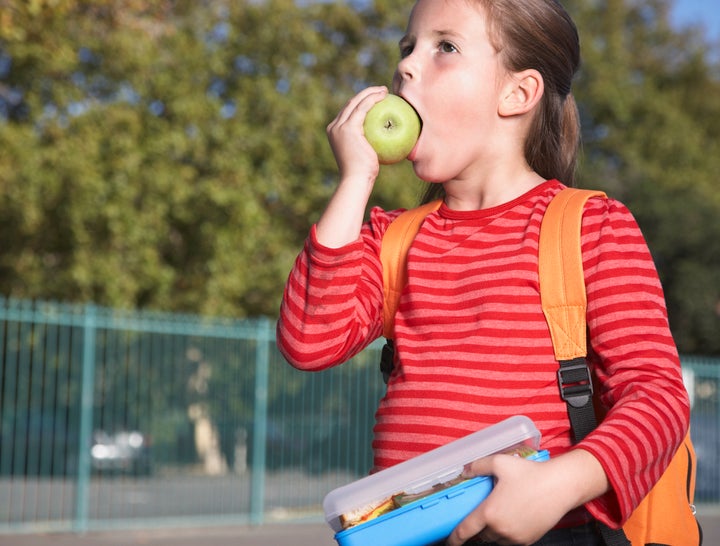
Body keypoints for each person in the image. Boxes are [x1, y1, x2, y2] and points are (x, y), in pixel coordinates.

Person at [276, 0, 690, 544]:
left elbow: (656, 395)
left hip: (554, 529)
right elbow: (310, 341)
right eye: (407, 47)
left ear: (516, 93)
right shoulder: (392, 238)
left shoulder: (590, 227)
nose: (406, 65)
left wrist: (558, 485)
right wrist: (355, 180)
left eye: (444, 46)